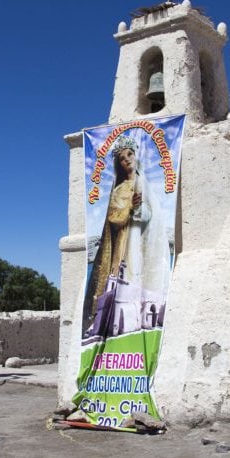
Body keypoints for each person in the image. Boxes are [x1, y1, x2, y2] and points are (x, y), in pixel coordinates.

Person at [84, 134, 170, 336]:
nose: (127, 159)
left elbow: (152, 216)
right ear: (119, 164)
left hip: (141, 242)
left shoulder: (144, 184)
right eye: (123, 158)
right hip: (124, 243)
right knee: (121, 280)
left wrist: (141, 209)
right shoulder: (119, 189)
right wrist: (131, 207)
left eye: (130, 154)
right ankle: (109, 324)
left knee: (139, 280)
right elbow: (114, 218)